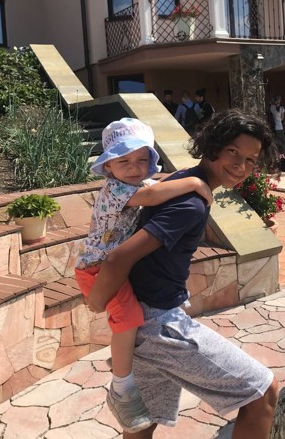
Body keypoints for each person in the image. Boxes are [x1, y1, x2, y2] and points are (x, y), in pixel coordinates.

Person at [87, 110, 279, 439]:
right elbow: (119, 258)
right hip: (158, 321)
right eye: (233, 152)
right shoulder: (190, 203)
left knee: (142, 420)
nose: (241, 165)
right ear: (213, 146)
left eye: (251, 159)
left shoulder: (183, 180)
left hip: (141, 316)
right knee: (263, 393)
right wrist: (96, 302)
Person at [75, 118, 213, 433]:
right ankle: (121, 389)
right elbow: (152, 197)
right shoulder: (115, 189)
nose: (134, 168)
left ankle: (124, 359)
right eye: (124, 161)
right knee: (129, 320)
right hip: (97, 268)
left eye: (141, 160)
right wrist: (195, 183)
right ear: (108, 166)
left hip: (107, 266)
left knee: (131, 321)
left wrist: (177, 177)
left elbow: (156, 188)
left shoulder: (135, 184)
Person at [269, 95, 285, 168]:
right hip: (280, 128)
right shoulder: (281, 108)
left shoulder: (272, 107)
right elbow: (282, 118)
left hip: (275, 129)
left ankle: (277, 162)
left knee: (277, 146)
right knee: (282, 146)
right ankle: (283, 162)